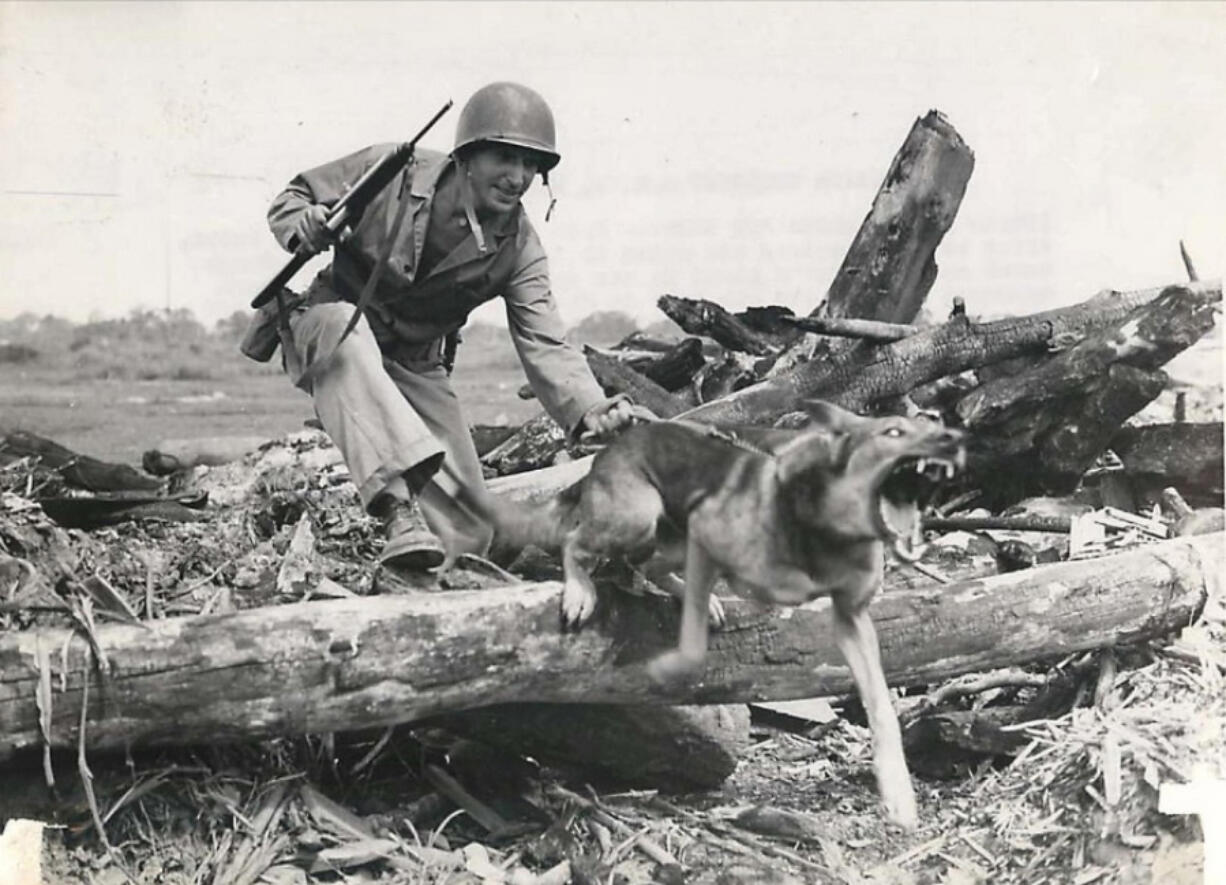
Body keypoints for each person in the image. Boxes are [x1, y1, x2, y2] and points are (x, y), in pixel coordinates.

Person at [244, 82, 644, 572]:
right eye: (504, 157)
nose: (517, 177)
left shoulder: (519, 249)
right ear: (468, 156)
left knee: (470, 528)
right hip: (333, 325)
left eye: (530, 164)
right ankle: (396, 513)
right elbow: (295, 196)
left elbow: (546, 343)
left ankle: (417, 588)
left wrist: (592, 409)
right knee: (341, 335)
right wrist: (304, 221)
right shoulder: (391, 171)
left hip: (415, 361)